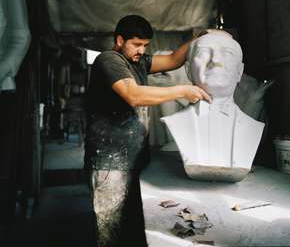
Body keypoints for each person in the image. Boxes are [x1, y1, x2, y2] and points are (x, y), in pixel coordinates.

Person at [84, 14, 212, 247]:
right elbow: (133, 95)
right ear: (120, 40)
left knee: (132, 224)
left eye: (145, 45)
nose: (141, 50)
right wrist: (183, 90)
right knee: (110, 230)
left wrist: (198, 39)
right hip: (109, 163)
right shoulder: (109, 60)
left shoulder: (138, 61)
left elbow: (173, 59)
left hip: (134, 159)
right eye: (136, 44)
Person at [162, 30, 265, 182]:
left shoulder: (253, 128)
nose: (216, 60)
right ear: (188, 70)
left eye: (227, 53)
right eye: (204, 53)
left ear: (239, 72)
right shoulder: (176, 123)